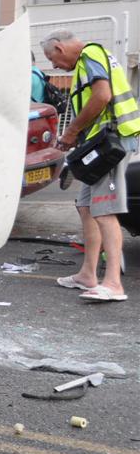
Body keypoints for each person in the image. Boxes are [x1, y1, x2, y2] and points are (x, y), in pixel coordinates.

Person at [42, 29, 140, 302]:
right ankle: (88, 274)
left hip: (110, 144)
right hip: (100, 144)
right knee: (87, 207)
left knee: (105, 210)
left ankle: (113, 284)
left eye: (52, 58)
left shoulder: (89, 57)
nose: (53, 66)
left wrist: (71, 132)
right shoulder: (95, 56)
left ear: (60, 48)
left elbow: (101, 96)